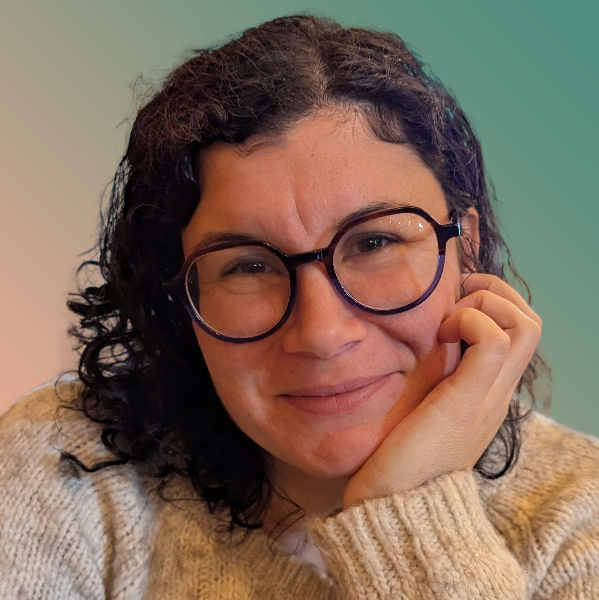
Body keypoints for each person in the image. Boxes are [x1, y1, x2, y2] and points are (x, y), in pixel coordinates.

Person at [1, 13, 598, 599]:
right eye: (248, 266)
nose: (321, 334)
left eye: (375, 243)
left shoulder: (581, 519)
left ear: (465, 247)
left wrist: (409, 514)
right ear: (181, 295)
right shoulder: (62, 464)